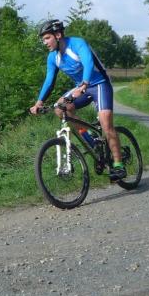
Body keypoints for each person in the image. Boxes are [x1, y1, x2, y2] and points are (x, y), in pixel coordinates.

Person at [29, 19, 127, 181]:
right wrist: (39, 102)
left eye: (47, 38)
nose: (44, 42)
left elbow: (88, 63)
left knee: (106, 124)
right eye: (43, 39)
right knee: (60, 109)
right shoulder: (53, 57)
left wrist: (84, 84)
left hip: (99, 84)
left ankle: (118, 164)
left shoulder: (77, 44)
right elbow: (49, 81)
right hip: (80, 88)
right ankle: (91, 138)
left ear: (58, 35)